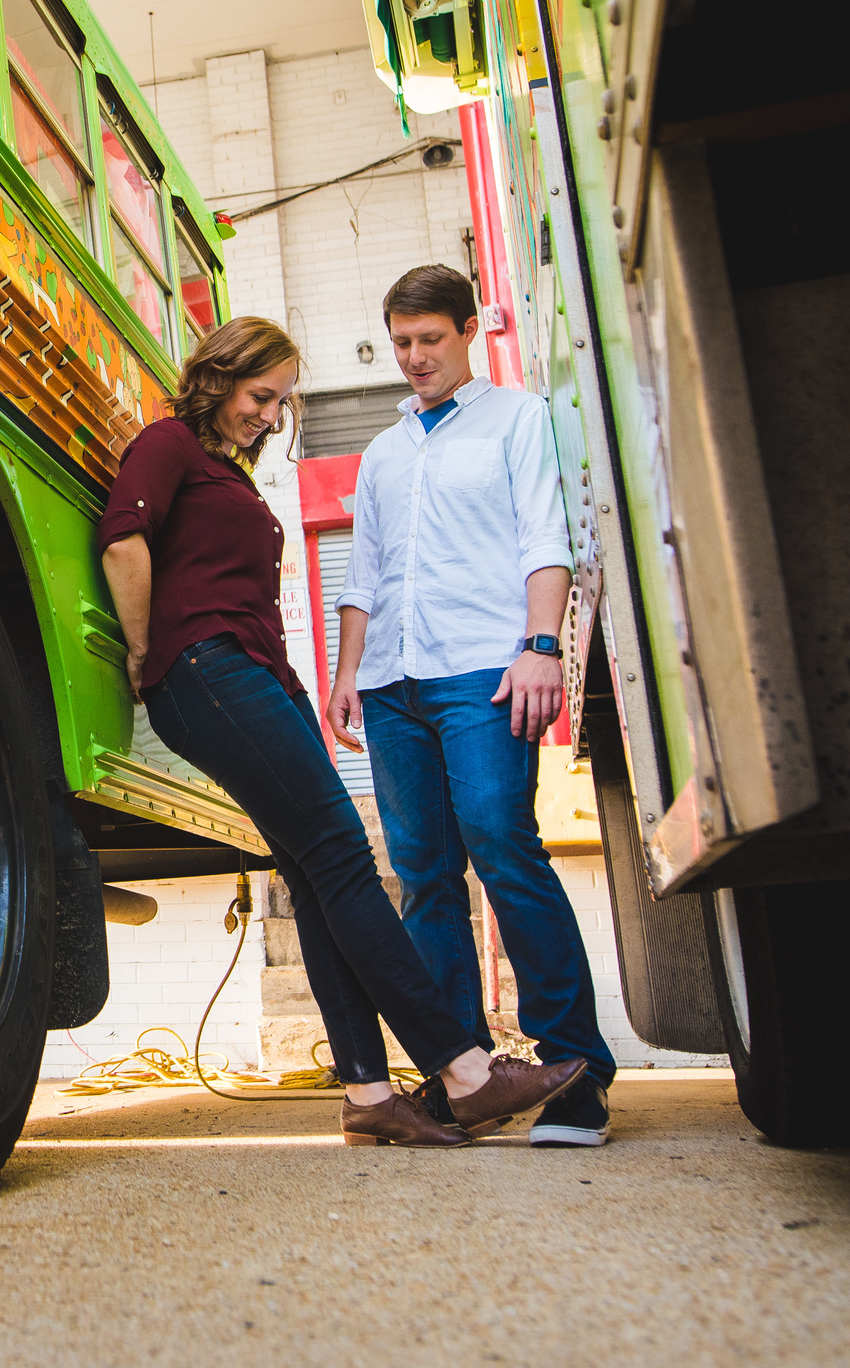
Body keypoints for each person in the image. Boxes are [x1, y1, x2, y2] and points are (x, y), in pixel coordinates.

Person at [98, 316, 584, 1148]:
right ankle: (464, 1069)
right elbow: (122, 541)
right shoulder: (170, 443)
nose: (270, 415)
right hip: (205, 671)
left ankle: (365, 1091)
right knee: (342, 858)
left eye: (282, 401)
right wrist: (148, 654)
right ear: (217, 376)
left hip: (257, 676)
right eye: (261, 395)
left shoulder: (228, 471)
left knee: (315, 870)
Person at [325, 265, 616, 1147]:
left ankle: (578, 1073)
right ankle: (466, 1073)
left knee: (503, 847)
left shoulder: (519, 418)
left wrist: (540, 644)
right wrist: (347, 672)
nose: (414, 357)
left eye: (430, 340)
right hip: (392, 684)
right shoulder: (384, 452)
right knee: (423, 879)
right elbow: (364, 573)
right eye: (402, 342)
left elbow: (545, 537)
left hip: (482, 674)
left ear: (468, 331)